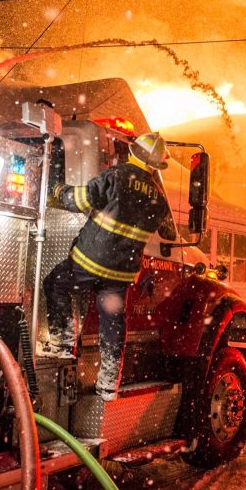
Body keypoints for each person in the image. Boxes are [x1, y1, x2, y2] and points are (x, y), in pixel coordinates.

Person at [42, 132, 176, 401]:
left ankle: (64, 343)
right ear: (156, 165)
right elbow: (167, 231)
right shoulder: (160, 198)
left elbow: (80, 201)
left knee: (56, 283)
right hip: (120, 272)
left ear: (134, 153)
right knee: (112, 322)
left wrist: (57, 190)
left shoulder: (116, 176)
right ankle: (108, 384)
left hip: (89, 261)